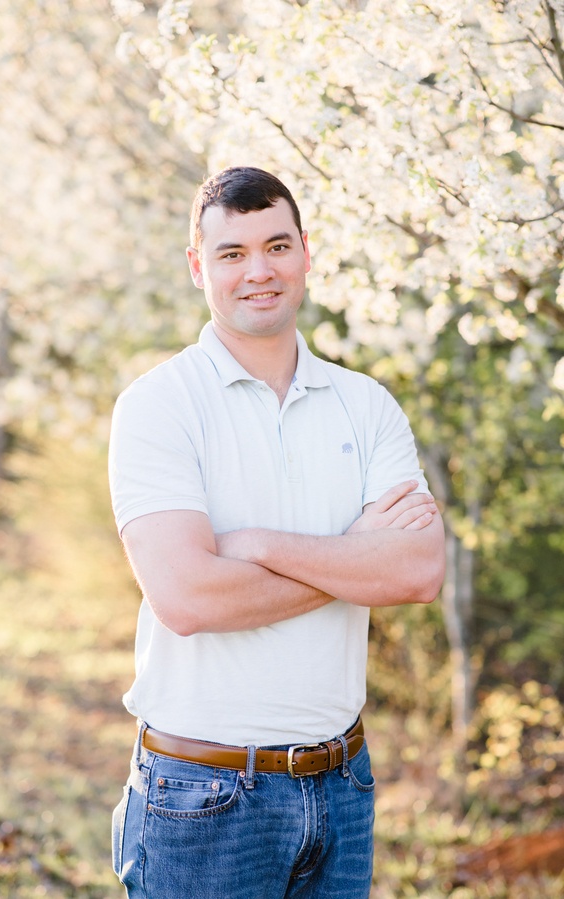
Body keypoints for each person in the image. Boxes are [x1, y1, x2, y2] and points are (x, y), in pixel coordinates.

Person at [108, 166, 445, 898]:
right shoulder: (159, 406)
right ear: (199, 266)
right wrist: (357, 551)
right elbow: (190, 598)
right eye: (232, 253)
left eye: (277, 245)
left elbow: (417, 571)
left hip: (343, 786)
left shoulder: (367, 404)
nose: (258, 270)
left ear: (306, 254)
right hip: (204, 796)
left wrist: (258, 544)